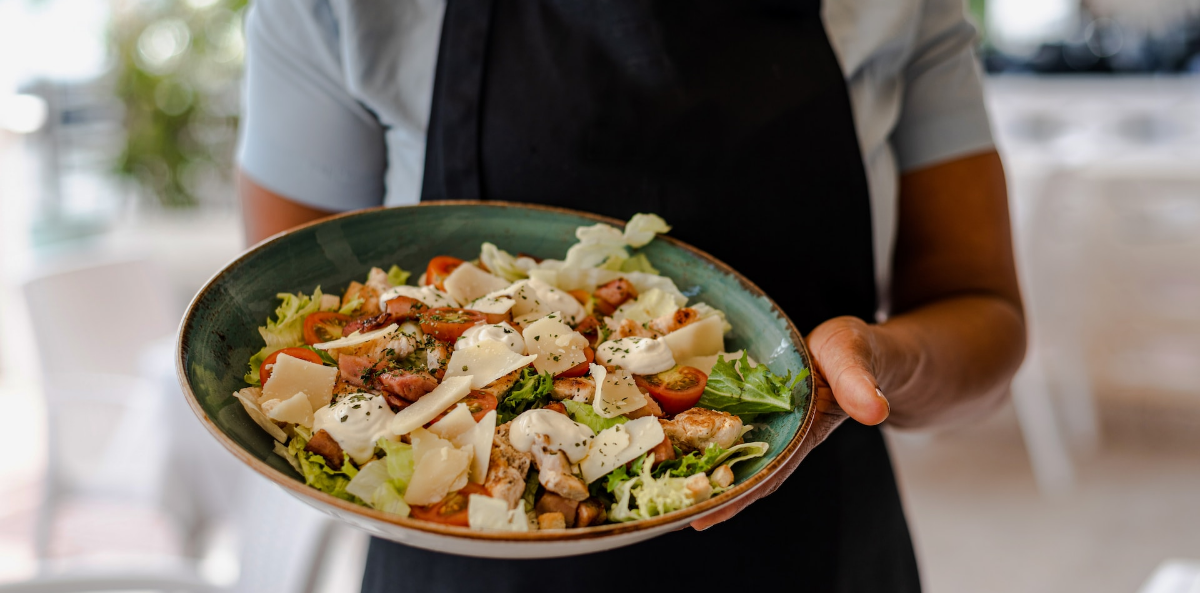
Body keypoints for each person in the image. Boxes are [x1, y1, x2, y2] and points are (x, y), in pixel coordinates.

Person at [236, 0, 1026, 591]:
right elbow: (290, 298)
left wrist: (875, 364)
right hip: (458, 549)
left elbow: (981, 306)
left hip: (812, 543)